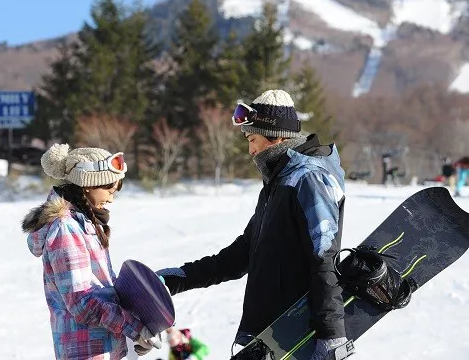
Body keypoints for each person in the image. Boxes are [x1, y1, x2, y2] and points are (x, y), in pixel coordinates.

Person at [157, 90, 353, 360]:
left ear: (276, 135)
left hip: (298, 333)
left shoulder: (309, 179)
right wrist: (178, 278)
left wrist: (331, 334)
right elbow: (241, 254)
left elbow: (324, 257)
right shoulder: (279, 182)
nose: (251, 150)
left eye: (253, 139)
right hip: (272, 334)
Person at [21, 143, 161, 360]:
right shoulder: (65, 229)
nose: (111, 199)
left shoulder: (85, 224)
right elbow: (82, 303)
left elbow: (101, 290)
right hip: (85, 350)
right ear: (88, 184)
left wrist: (139, 324)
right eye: (108, 190)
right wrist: (134, 329)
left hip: (103, 347)